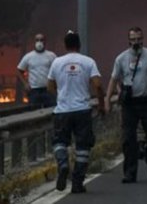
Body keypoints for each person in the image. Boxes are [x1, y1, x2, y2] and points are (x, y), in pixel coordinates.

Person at [47, 30, 105, 194]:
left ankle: (63, 164)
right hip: (82, 111)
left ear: (65, 45)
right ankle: (77, 183)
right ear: (79, 44)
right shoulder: (88, 62)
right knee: (83, 147)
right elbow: (98, 86)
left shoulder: (57, 62)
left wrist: (62, 94)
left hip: (62, 111)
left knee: (59, 142)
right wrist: (101, 105)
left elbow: (50, 86)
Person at [106, 27, 147, 183]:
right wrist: (107, 100)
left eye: (138, 39)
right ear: (128, 40)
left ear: (143, 39)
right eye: (133, 39)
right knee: (128, 139)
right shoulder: (121, 59)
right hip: (130, 104)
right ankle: (130, 173)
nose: (136, 42)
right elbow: (114, 79)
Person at [17, 33, 57, 109]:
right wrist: (25, 83)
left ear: (45, 42)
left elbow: (57, 70)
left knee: (51, 111)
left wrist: (55, 84)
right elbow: (19, 70)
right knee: (33, 112)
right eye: (37, 40)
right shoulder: (28, 56)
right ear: (34, 42)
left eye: (41, 40)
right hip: (34, 90)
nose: (39, 42)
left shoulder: (51, 55)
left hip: (48, 90)